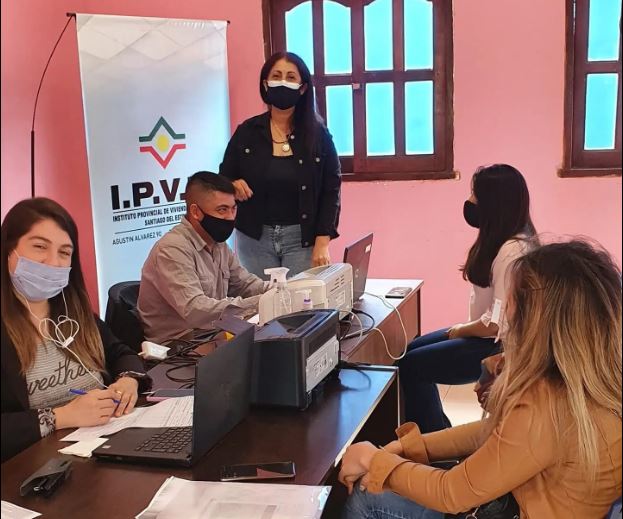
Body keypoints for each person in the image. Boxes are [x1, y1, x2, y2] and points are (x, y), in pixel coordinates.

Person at [339, 239, 622, 519]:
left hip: (510, 507)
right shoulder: (587, 387)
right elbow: (496, 434)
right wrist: (411, 447)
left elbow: (451, 493)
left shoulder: (546, 404)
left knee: (365, 500)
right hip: (517, 503)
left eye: (511, 303)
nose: (506, 313)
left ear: (536, 323)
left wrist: (373, 460)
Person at [1, 198, 149, 462]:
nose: (53, 262)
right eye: (39, 247)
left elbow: (120, 352)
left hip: (102, 447)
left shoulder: (72, 311)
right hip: (35, 467)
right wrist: (61, 416)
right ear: (8, 249)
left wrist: (128, 380)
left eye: (64, 252)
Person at [399, 164, 537, 433]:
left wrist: (460, 330)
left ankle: (430, 442)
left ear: (493, 203)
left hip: (500, 347)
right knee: (410, 350)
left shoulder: (512, 251)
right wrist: (461, 329)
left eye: (475, 195)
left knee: (412, 365)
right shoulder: (505, 241)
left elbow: (496, 325)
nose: (470, 202)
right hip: (487, 337)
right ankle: (438, 431)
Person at [220, 51, 341, 279]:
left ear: (303, 88)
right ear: (265, 84)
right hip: (255, 238)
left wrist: (323, 241)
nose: (283, 82)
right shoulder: (247, 132)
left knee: (302, 300)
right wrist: (233, 184)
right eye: (276, 76)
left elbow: (331, 189)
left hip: (302, 239)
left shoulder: (318, 134)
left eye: (290, 77)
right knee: (260, 298)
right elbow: (224, 176)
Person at [138, 171, 269, 344]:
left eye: (233, 209)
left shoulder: (218, 244)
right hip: (178, 347)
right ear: (195, 212)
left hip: (213, 336)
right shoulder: (172, 249)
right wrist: (262, 302)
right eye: (222, 210)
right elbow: (195, 310)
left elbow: (246, 285)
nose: (230, 217)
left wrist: (284, 289)